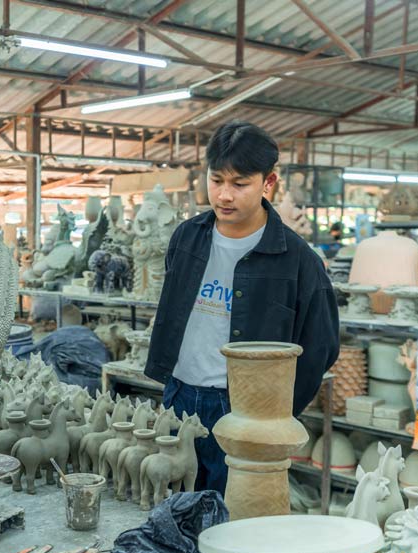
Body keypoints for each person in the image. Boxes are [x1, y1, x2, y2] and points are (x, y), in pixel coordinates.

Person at [144, 120, 340, 495]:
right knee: (174, 502)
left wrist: (274, 412)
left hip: (242, 409)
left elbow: (321, 346)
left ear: (269, 183)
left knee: (232, 510)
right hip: (179, 396)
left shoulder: (298, 260)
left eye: (239, 184)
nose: (224, 195)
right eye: (216, 180)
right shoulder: (186, 238)